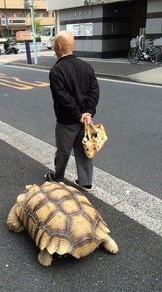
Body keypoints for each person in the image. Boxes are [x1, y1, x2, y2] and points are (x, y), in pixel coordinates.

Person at [45, 30, 100, 192]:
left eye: (54, 46)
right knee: (84, 150)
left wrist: (78, 115)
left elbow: (64, 99)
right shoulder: (86, 66)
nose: (54, 48)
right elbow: (94, 91)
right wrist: (87, 113)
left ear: (59, 46)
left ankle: (58, 177)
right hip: (86, 121)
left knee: (63, 151)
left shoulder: (57, 71)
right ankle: (85, 182)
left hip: (67, 120)